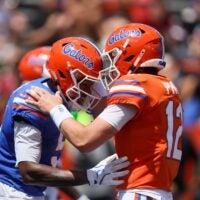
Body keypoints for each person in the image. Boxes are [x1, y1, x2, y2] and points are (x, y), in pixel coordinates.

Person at [26, 23, 184, 200]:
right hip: (159, 192)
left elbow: (84, 140)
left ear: (132, 54)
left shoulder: (135, 85)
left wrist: (55, 108)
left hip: (139, 193)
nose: (110, 65)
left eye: (113, 57)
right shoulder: (166, 87)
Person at [0, 36, 130, 200]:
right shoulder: (33, 100)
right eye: (84, 83)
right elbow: (29, 171)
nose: (90, 91)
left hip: (31, 192)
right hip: (12, 192)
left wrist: (80, 197)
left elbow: (51, 168)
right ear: (63, 75)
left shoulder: (58, 102)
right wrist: (90, 176)